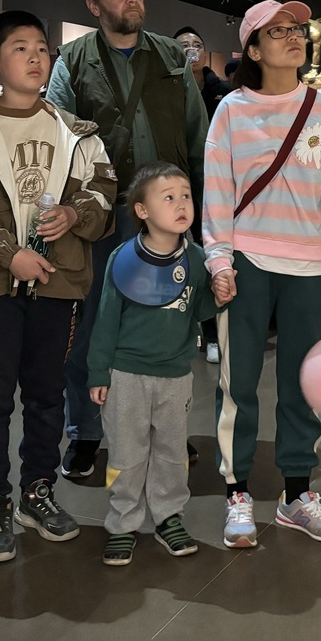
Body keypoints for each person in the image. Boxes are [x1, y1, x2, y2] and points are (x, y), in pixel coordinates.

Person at [0, 10, 115, 564]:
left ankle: (37, 493)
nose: (36, 57)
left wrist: (73, 214)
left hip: (59, 284)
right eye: (21, 48)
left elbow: (105, 194)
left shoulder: (77, 133)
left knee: (46, 396)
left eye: (42, 48)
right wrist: (8, 255)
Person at [203, 0, 321, 549]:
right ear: (252, 48)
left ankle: (297, 493)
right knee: (236, 382)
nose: (293, 38)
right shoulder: (230, 112)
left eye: (296, 30)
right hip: (245, 260)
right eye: (277, 32)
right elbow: (217, 193)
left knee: (303, 383)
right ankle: (237, 492)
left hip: (310, 264)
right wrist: (218, 259)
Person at [46, 0, 208, 479]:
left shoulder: (171, 57)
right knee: (94, 325)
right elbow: (59, 141)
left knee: (168, 325)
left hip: (166, 216)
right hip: (101, 217)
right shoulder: (71, 62)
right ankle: (87, 432)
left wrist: (198, 212)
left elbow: (196, 136)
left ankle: (168, 433)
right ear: (94, 6)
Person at [87, 162, 228, 565]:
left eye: (186, 195)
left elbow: (198, 309)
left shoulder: (197, 258)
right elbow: (106, 319)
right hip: (125, 375)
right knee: (126, 455)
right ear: (143, 211)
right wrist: (99, 372)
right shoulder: (122, 259)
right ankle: (123, 523)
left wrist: (217, 295)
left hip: (175, 375)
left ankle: (168, 517)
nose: (182, 204)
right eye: (168, 198)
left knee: (170, 453)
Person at [174, 26, 231, 364]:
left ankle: (211, 334)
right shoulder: (166, 88)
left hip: (212, 180)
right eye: (184, 45)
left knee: (209, 254)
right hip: (177, 179)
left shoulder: (221, 91)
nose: (191, 49)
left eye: (197, 43)